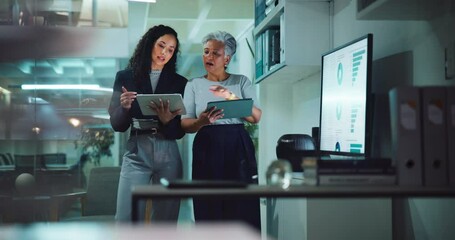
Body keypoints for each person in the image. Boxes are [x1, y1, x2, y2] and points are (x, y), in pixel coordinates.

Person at [181, 31, 262, 230]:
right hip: (207, 143)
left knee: (242, 201)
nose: (208, 56)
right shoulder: (193, 85)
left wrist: (227, 94)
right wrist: (201, 122)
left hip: (238, 142)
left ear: (227, 58)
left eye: (215, 53)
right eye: (206, 52)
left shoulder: (241, 81)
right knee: (208, 201)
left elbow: (256, 117)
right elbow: (184, 123)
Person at [108, 25, 187, 222]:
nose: (164, 53)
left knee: (166, 220)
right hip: (136, 149)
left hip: (168, 150)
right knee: (126, 217)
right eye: (161, 45)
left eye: (170, 50)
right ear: (149, 44)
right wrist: (124, 107)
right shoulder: (125, 77)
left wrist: (167, 121)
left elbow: (180, 131)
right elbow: (117, 125)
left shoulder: (180, 82)